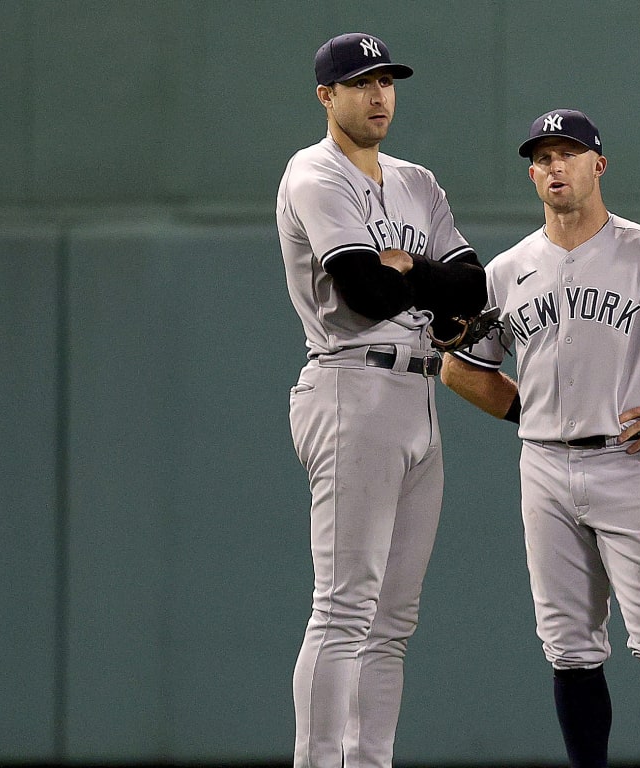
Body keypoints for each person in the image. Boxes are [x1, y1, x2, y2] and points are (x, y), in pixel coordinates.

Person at [442, 109, 640, 768]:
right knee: (568, 646)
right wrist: (529, 418)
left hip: (630, 459)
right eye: (543, 157)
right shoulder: (506, 270)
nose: (555, 166)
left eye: (569, 153)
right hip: (546, 470)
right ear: (533, 174)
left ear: (598, 165)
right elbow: (460, 370)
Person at [275, 31, 485, 768]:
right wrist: (417, 277)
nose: (378, 94)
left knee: (392, 621)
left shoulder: (416, 181)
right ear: (326, 96)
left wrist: (409, 267)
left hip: (420, 392)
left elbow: (472, 288)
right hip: (349, 384)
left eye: (386, 80)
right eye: (361, 82)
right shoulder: (314, 174)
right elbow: (363, 296)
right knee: (343, 610)